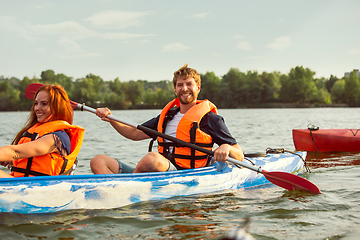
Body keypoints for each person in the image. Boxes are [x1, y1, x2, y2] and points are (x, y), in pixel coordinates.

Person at [90, 64, 244, 174]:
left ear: (197, 87)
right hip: (160, 172)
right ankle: (112, 191)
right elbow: (134, 133)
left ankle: (124, 187)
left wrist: (227, 147)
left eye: (189, 84)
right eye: (180, 85)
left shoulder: (211, 119)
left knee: (151, 159)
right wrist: (110, 118)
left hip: (186, 176)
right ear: (175, 89)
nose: (184, 88)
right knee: (98, 161)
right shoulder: (167, 117)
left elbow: (239, 153)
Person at [0, 84, 85, 178]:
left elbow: (16, 153)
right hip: (22, 184)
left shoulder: (56, 139)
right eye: (36, 103)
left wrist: (9, 156)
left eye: (44, 104)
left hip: (39, 187)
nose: (37, 108)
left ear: (58, 107)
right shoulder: (36, 133)